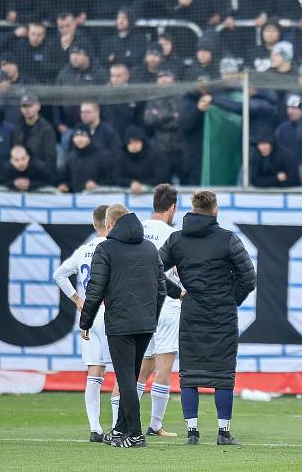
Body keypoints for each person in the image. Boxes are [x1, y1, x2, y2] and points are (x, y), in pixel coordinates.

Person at [158, 190, 256, 446]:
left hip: (191, 312)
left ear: (192, 209)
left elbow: (153, 269)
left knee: (190, 373)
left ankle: (192, 432)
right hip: (222, 315)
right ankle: (223, 433)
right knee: (223, 374)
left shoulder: (177, 239)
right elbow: (249, 278)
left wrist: (178, 293)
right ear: (215, 210)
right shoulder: (228, 239)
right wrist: (231, 298)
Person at [79, 204, 171, 448]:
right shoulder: (150, 248)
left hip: (120, 324)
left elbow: (95, 290)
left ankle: (135, 434)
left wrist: (85, 321)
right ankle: (119, 430)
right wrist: (151, 316)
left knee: (126, 378)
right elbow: (161, 289)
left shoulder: (105, 248)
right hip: (144, 324)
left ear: (110, 224)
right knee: (130, 376)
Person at [52, 205, 111, 443]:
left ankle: (95, 429)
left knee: (94, 373)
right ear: (110, 223)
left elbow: (59, 275)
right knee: (122, 370)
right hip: (110, 313)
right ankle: (119, 427)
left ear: (94, 223)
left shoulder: (83, 250)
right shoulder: (114, 248)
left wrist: (77, 299)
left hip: (89, 316)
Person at [133, 185, 183, 438]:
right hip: (166, 305)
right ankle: (155, 424)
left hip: (139, 304)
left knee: (143, 366)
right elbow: (176, 272)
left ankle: (128, 420)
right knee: (164, 367)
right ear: (172, 207)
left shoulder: (137, 229)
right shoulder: (172, 235)